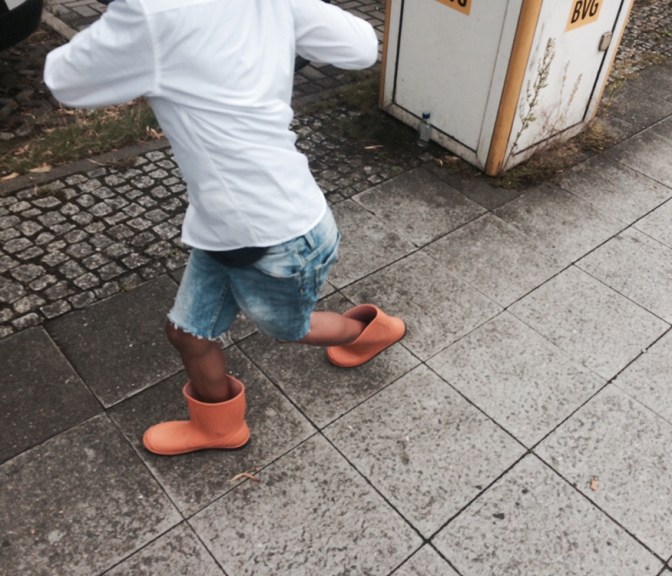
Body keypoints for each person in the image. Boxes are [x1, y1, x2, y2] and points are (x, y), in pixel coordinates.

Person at [44, 0, 406, 456]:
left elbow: (65, 80)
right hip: (232, 225)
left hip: (276, 237)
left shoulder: (153, 12)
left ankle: (370, 331)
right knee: (188, 333)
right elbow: (361, 47)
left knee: (289, 329)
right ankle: (219, 427)